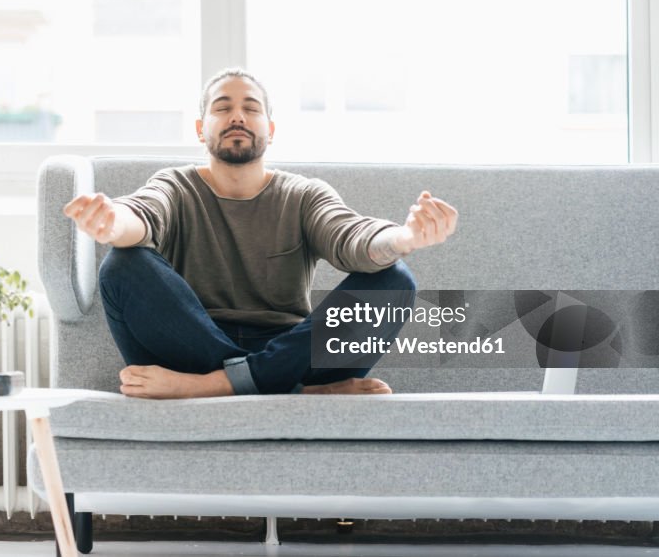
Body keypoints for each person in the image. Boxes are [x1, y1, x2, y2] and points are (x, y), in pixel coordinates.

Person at [63, 68, 458, 398]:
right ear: (202, 129)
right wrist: (113, 223)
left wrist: (404, 239)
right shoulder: (176, 186)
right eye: (223, 108)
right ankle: (294, 392)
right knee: (121, 265)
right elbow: (143, 214)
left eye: (250, 109)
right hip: (192, 347)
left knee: (395, 279)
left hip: (288, 351)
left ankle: (215, 387)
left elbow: (351, 236)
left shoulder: (303, 194)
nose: (238, 116)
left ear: (269, 128)